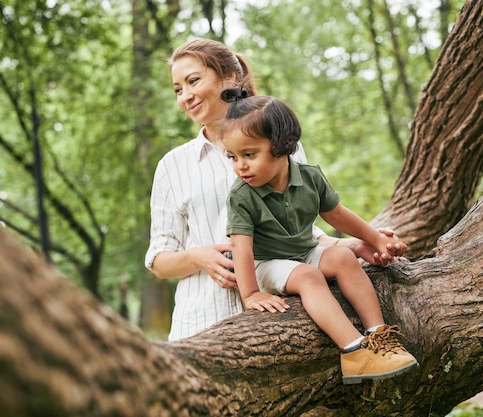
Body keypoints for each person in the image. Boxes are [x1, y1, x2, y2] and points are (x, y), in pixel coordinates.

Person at [145, 38, 406, 342]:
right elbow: (159, 261)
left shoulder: (281, 145)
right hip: (203, 322)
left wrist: (353, 245)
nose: (185, 96)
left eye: (193, 81)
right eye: (177, 89)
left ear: (229, 77)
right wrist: (199, 257)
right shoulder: (173, 165)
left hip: (279, 320)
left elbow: (301, 228)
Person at [221, 90, 418, 383]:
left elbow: (336, 214)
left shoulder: (310, 176)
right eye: (233, 157)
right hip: (266, 263)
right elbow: (242, 249)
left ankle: (379, 336)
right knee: (308, 277)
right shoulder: (241, 196)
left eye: (249, 154)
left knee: (342, 256)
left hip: (303, 252)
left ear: (283, 145)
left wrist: (376, 239)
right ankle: (354, 351)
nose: (240, 165)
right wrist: (250, 294)